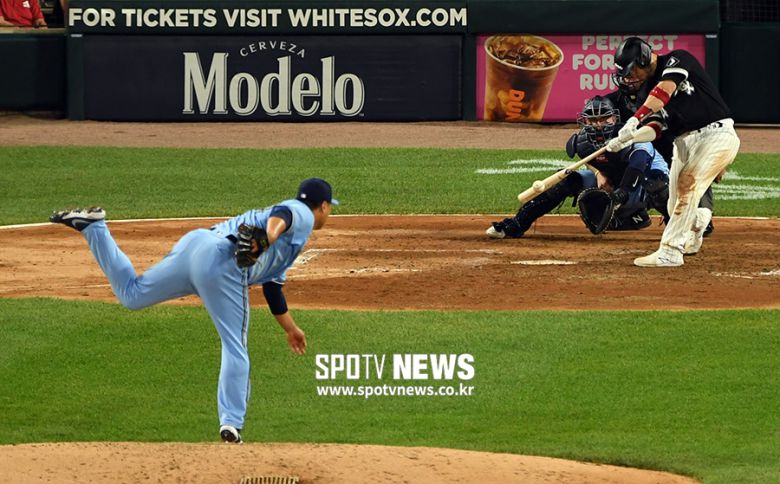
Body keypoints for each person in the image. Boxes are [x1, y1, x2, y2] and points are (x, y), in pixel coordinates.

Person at [49, 178, 338, 443]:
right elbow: (283, 216)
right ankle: (232, 424)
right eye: (329, 208)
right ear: (323, 206)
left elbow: (273, 291)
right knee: (235, 346)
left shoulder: (286, 252)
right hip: (222, 261)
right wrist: (265, 239)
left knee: (132, 295)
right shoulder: (303, 213)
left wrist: (291, 329)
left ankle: (94, 228)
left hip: (196, 245)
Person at [607, 37, 740, 267]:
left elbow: (664, 92)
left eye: (632, 70)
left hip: (715, 133)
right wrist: (629, 138)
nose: (629, 78)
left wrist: (634, 119)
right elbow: (657, 128)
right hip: (683, 143)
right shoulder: (645, 93)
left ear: (644, 59)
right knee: (673, 204)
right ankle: (697, 224)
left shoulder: (677, 59)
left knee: (687, 185)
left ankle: (670, 252)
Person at [486, 95, 669, 239]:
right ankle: (517, 224)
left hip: (643, 179)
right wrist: (598, 173)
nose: (598, 125)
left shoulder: (631, 136)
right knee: (566, 179)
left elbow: (638, 165)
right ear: (585, 122)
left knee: (656, 185)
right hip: (613, 180)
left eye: (604, 119)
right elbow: (589, 159)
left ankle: (678, 226)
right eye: (593, 120)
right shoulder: (582, 143)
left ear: (615, 118)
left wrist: (621, 194)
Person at [607, 57, 716, 238]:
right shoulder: (614, 100)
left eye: (631, 76)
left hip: (672, 141)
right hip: (641, 150)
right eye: (625, 77)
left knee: (689, 174)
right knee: (650, 178)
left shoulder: (661, 90)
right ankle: (644, 214)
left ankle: (701, 217)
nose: (628, 81)